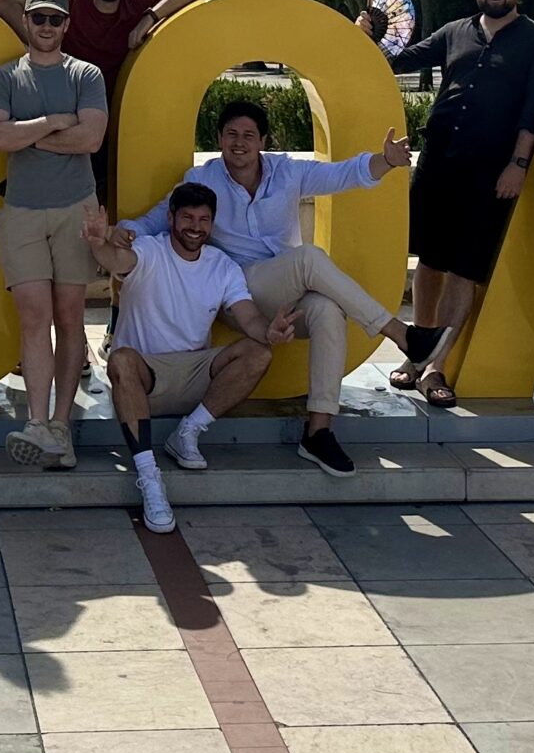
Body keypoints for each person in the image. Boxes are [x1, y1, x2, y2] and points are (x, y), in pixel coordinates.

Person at [119, 100, 444, 476]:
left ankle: (318, 431)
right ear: (219, 139)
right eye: (231, 135)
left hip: (282, 287)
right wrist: (120, 233)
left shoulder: (286, 172)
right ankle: (402, 335)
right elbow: (158, 218)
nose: (239, 143)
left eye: (248, 136)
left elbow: (343, 173)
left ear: (263, 141)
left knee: (326, 310)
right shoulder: (203, 178)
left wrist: (385, 161)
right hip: (237, 291)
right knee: (308, 257)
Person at [361, 0, 534, 408]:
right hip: (438, 164)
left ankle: (436, 368)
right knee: (429, 262)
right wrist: (367, 37)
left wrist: (519, 164)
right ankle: (416, 351)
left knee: (465, 270)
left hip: (492, 174)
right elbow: (397, 60)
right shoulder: (454, 32)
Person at [84, 191, 296, 532]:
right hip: (146, 374)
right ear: (171, 219)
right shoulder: (151, 250)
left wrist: (270, 332)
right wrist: (97, 242)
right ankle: (150, 478)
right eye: (187, 218)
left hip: (196, 371)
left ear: (212, 224)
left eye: (203, 220)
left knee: (259, 352)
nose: (195, 227)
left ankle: (189, 431)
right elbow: (117, 261)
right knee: (120, 360)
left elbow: (249, 319)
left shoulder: (222, 266)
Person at [0, 0, 107, 471]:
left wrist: (29, 134)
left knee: (70, 315)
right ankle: (38, 423)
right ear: (28, 22)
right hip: (22, 211)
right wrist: (57, 123)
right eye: (39, 17)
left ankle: (61, 426)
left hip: (76, 209)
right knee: (34, 316)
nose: (47, 26)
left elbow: (92, 138)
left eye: (55, 19)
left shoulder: (86, 74)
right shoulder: (4, 76)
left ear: (65, 24)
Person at [61, 0, 201, 199]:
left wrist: (149, 17)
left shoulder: (135, 3)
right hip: (76, 121)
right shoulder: (74, 2)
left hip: (123, 123)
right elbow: (25, 8)